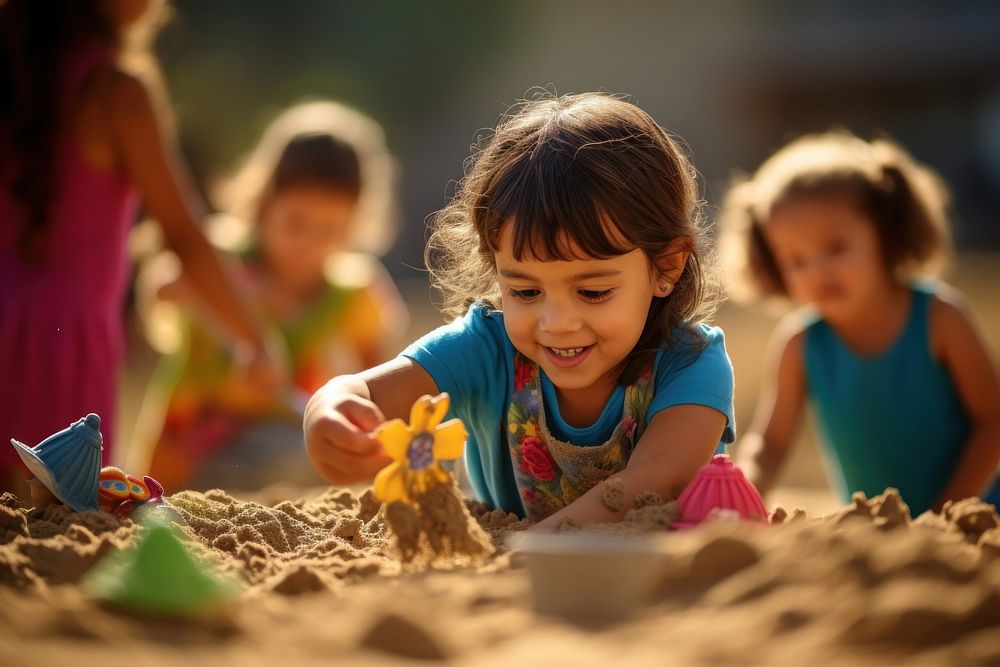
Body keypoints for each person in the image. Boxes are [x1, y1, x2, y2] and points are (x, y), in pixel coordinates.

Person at [303, 92, 736, 527]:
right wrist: (330, 413)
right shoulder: (485, 350)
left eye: (593, 292)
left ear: (667, 266)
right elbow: (362, 391)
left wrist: (532, 549)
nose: (557, 323)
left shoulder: (691, 364)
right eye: (526, 293)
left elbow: (658, 479)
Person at [0, 0, 278, 494]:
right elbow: (183, 236)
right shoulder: (118, 92)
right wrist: (255, 342)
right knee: (56, 519)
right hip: (60, 354)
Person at [720, 130, 1000, 515]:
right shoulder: (800, 343)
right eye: (796, 260)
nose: (818, 271)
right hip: (877, 529)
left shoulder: (941, 317)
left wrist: (947, 512)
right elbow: (772, 443)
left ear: (886, 233)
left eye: (835, 247)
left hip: (976, 516)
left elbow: (992, 421)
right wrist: (747, 489)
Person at [134, 101, 408, 491]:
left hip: (283, 450)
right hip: (187, 453)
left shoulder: (352, 291)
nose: (310, 244)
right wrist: (245, 302)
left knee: (295, 456)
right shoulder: (222, 260)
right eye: (296, 223)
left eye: (331, 230)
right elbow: (162, 286)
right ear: (264, 205)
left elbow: (383, 374)